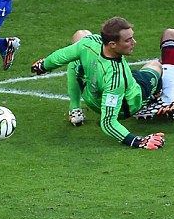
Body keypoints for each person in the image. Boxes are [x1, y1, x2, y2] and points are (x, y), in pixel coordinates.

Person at [31, 17, 166, 149]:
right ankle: (155, 96)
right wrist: (137, 141)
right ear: (112, 44)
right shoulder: (116, 78)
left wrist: (43, 66)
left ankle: (75, 110)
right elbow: (108, 122)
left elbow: (61, 56)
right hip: (125, 109)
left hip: (93, 93)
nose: (134, 42)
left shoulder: (89, 44)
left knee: (79, 42)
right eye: (128, 40)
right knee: (155, 66)